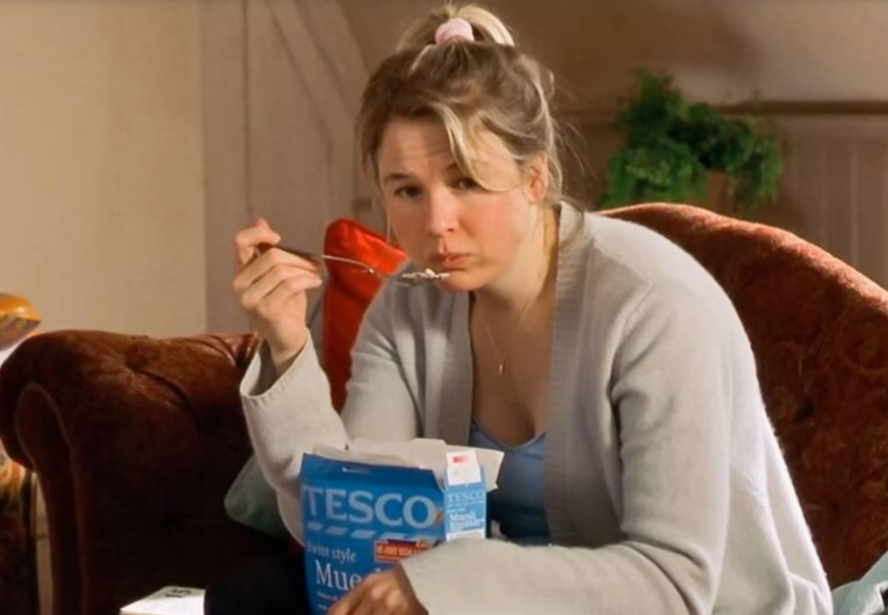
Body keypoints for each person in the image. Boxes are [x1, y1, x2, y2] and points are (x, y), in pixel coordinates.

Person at [216, 3, 833, 614]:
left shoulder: (653, 304)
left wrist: (446, 581)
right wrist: (288, 347)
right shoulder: (406, 305)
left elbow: (674, 585)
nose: (436, 222)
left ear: (535, 178)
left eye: (465, 182)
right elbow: (353, 524)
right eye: (407, 191)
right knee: (255, 593)